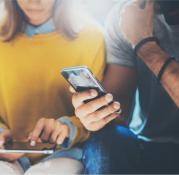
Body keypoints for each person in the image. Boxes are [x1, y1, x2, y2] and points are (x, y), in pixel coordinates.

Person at [0, 0, 106, 174]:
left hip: (65, 154)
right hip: (10, 158)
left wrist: (67, 127)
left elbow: (98, 113)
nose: (33, 1)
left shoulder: (91, 37)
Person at [71, 0, 179, 173]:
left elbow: (144, 45)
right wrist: (96, 114)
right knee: (105, 139)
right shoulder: (128, 14)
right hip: (149, 143)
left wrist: (145, 44)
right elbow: (120, 109)